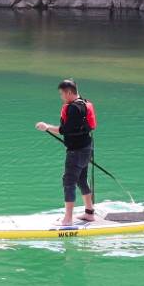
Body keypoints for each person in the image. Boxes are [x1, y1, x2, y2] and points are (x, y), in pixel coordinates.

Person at [35, 79, 98, 226]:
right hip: (87, 148)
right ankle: (89, 214)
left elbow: (64, 131)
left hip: (76, 152)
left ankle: (68, 219)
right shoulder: (84, 102)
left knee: (68, 182)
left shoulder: (73, 109)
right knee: (81, 179)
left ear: (69, 92)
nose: (61, 97)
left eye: (62, 94)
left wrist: (46, 127)